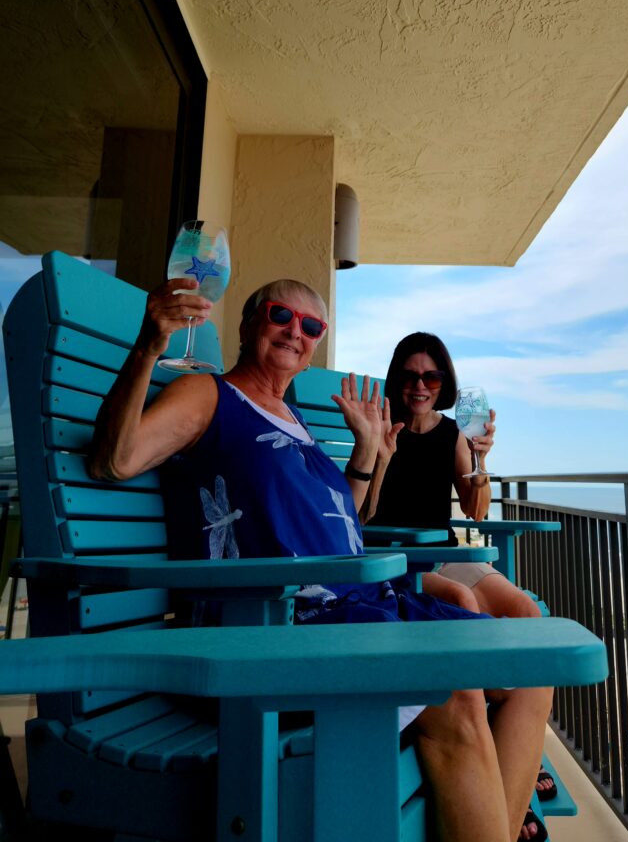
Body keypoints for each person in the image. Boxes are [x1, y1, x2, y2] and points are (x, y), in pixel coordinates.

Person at [88, 276, 551, 842]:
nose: (295, 332)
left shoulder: (294, 418)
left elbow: (343, 526)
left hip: (352, 608)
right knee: (455, 690)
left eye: (311, 327)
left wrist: (367, 454)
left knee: (533, 665)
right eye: (282, 316)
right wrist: (149, 346)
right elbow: (114, 461)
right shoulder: (212, 396)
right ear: (247, 324)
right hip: (274, 625)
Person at [363, 332, 557, 840]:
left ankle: (503, 775)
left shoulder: (452, 435)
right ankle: (498, 747)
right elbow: (362, 511)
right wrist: (379, 453)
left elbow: (476, 512)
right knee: (465, 605)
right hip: (397, 557)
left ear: (443, 382)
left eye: (430, 376)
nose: (419, 385)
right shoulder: (384, 426)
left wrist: (478, 460)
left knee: (525, 615)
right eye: (409, 375)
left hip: (446, 553)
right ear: (397, 380)